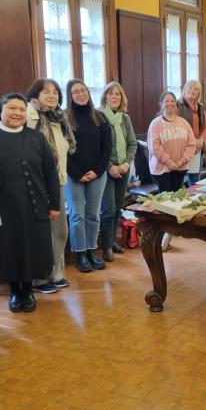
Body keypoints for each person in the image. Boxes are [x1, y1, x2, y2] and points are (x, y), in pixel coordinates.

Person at [0, 93, 60, 313]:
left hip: (34, 202)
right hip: (1, 204)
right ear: (0, 111)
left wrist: (54, 204)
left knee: (32, 247)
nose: (17, 113)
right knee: (7, 248)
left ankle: (28, 291)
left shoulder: (36, 137)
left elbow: (50, 172)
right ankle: (14, 292)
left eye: (22, 109)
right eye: (12, 108)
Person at [25, 78, 76, 293]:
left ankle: (56, 273)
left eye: (55, 92)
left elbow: (67, 149)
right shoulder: (30, 115)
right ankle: (40, 278)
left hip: (58, 182)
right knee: (41, 233)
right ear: (35, 94)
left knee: (60, 231)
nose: (52, 95)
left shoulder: (58, 118)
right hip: (37, 185)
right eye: (46, 92)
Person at [64, 79, 112, 272]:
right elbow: (63, 150)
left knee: (93, 214)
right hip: (73, 175)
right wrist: (76, 173)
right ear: (70, 96)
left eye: (83, 90)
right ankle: (80, 254)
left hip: (97, 174)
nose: (81, 94)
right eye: (76, 92)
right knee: (77, 215)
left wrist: (98, 170)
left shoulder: (99, 117)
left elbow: (107, 148)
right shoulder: (64, 119)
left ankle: (92, 251)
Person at [98, 82, 137, 262]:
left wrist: (126, 164)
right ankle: (106, 247)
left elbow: (132, 144)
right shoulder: (98, 117)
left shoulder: (125, 119)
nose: (115, 97)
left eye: (118, 94)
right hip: (106, 171)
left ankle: (112, 241)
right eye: (111, 94)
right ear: (105, 96)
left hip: (123, 169)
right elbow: (97, 147)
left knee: (117, 209)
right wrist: (110, 166)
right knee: (108, 209)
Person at [147, 91, 197, 192]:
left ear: (176, 104)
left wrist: (181, 161)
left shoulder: (184, 123)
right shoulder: (155, 124)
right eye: (166, 101)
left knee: (177, 199)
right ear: (161, 104)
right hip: (162, 169)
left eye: (173, 101)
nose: (170, 103)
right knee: (165, 201)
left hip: (180, 167)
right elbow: (155, 147)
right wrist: (169, 163)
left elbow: (191, 145)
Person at [177, 80, 206, 186]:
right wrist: (192, 141)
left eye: (196, 89)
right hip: (181, 149)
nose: (192, 91)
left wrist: (200, 140)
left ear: (199, 93)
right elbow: (176, 127)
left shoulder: (200, 107)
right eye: (190, 87)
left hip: (197, 149)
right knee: (179, 182)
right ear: (185, 89)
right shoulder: (177, 105)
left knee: (195, 182)